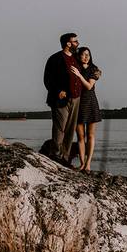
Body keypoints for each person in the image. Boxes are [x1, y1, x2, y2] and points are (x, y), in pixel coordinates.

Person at [43, 32, 82, 163]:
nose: (78, 43)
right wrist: (57, 91)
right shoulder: (55, 58)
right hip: (60, 100)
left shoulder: (76, 58)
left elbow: (89, 65)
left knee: (70, 130)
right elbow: (47, 79)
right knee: (60, 129)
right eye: (75, 41)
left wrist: (96, 73)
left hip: (76, 99)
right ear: (68, 43)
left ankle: (65, 158)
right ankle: (55, 156)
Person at [70, 46, 102, 172]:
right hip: (78, 102)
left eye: (88, 54)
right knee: (80, 136)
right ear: (79, 56)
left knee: (90, 135)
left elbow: (89, 86)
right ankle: (82, 164)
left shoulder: (95, 70)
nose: (86, 57)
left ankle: (88, 164)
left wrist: (78, 75)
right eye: (83, 54)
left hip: (90, 102)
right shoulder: (76, 68)